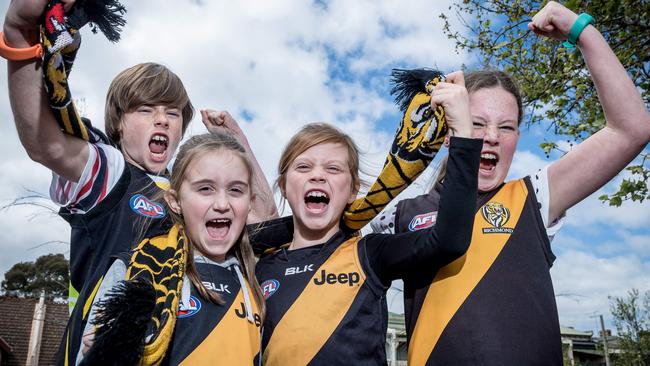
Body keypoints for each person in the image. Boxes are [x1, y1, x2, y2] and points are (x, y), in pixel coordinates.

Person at [369, 2, 650, 365]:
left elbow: (631, 129)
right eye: (476, 123)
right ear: (450, 131)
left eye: (506, 127)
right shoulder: (399, 215)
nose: (490, 137)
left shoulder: (534, 197)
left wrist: (581, 30)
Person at [2, 2, 194, 364]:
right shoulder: (112, 171)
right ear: (118, 122)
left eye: (173, 113)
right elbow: (45, 141)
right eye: (145, 110)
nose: (163, 120)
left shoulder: (191, 192)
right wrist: (19, 31)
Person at [255, 111, 481, 365]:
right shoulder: (264, 267)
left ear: (353, 190)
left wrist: (463, 133)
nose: (318, 175)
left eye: (333, 168)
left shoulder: (368, 253)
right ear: (284, 186)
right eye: (304, 166)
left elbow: (449, 240)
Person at [80, 133, 265, 365]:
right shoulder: (135, 270)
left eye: (236, 190)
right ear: (175, 201)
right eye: (205, 189)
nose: (221, 204)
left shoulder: (257, 277)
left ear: (250, 203)